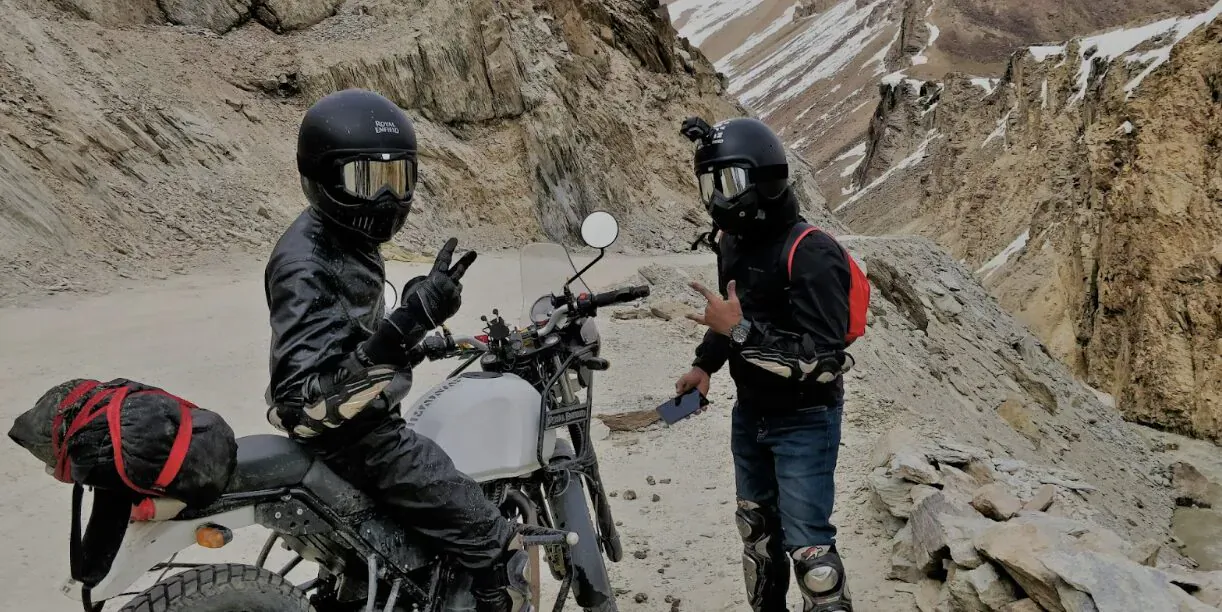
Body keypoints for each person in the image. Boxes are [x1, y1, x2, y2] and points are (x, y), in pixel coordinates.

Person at [263, 87, 531, 612]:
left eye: (396, 179)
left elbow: (344, 338)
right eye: (366, 180)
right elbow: (303, 405)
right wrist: (411, 320)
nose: (384, 199)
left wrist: (409, 325)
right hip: (363, 443)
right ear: (322, 176)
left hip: (364, 431)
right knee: (496, 546)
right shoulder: (305, 263)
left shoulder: (343, 240)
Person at [675, 116, 859, 612]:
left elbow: (823, 360)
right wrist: (704, 365)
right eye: (710, 183)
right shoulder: (732, 242)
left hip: (805, 420)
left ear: (766, 179)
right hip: (750, 414)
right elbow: (736, 315)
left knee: (812, 554)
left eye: (730, 181)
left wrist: (737, 330)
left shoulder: (812, 251)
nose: (719, 197)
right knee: (756, 532)